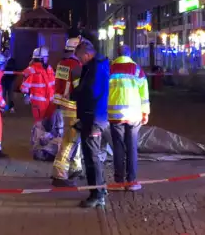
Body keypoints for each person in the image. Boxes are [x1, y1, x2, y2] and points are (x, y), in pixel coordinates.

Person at [72, 38, 110, 209]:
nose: (80, 62)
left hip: (93, 117)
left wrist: (76, 93)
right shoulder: (96, 65)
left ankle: (97, 194)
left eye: (80, 59)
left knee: (91, 157)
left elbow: (91, 91)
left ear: (87, 55)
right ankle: (99, 189)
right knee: (92, 156)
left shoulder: (95, 68)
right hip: (93, 116)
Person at [108, 45, 149, 191]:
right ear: (130, 54)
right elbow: (144, 94)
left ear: (116, 54)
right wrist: (145, 112)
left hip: (115, 115)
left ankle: (119, 181)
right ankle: (131, 181)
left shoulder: (110, 69)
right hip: (134, 114)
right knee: (132, 147)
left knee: (118, 147)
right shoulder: (137, 70)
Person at [48, 36, 84, 187]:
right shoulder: (76, 66)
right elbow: (79, 88)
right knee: (69, 140)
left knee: (74, 138)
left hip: (64, 106)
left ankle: (75, 167)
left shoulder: (62, 63)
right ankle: (59, 174)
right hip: (73, 106)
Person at [21, 47, 56, 124]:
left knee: (49, 125)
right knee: (39, 124)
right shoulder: (31, 70)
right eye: (46, 57)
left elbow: (53, 84)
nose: (48, 59)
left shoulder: (49, 68)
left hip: (50, 101)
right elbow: (24, 87)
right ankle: (37, 136)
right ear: (42, 59)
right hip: (39, 103)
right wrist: (25, 96)